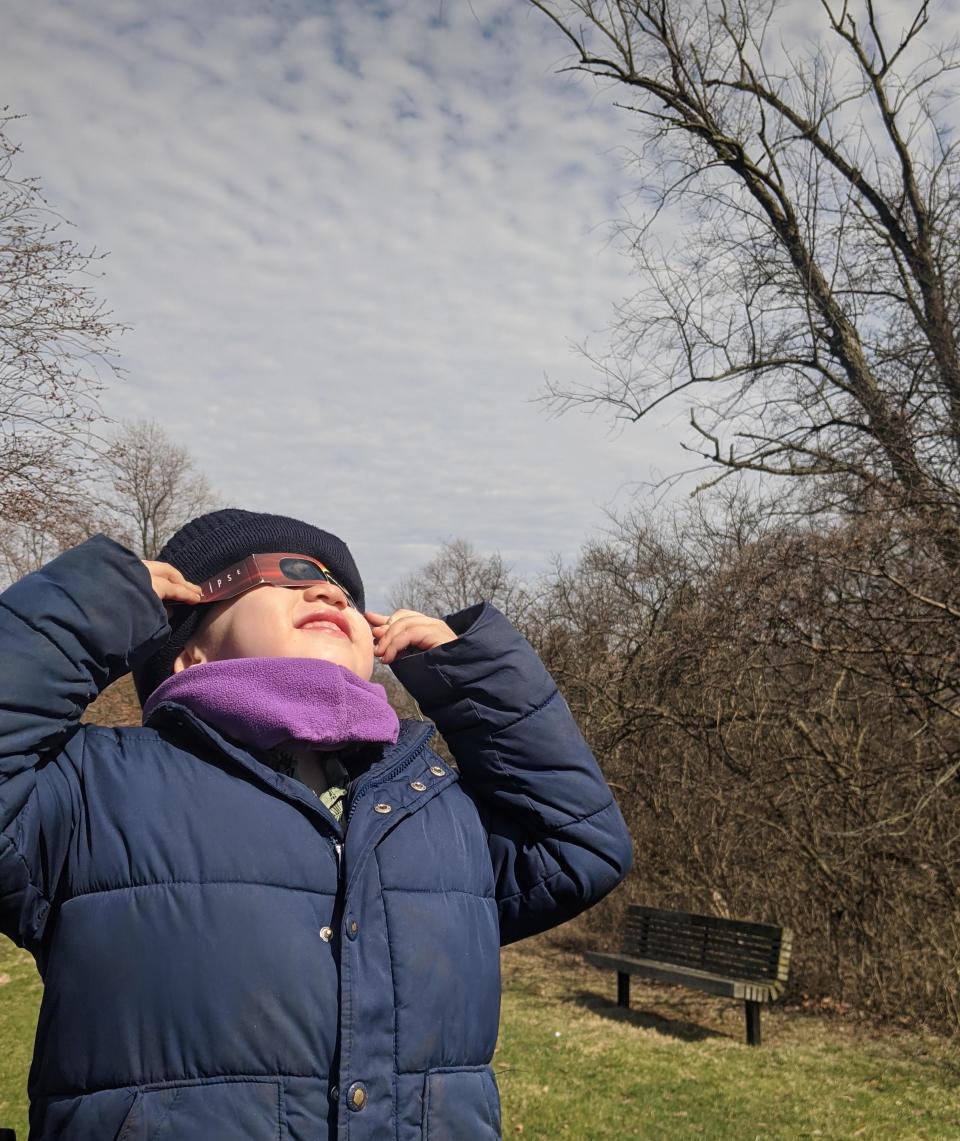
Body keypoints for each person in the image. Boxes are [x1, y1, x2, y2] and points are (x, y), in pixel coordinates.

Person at [0, 508, 632, 1140]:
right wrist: (94, 603)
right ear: (185, 649)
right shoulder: (94, 789)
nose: (329, 589)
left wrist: (471, 675)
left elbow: (577, 844)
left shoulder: (432, 800)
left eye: (347, 592)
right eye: (284, 572)